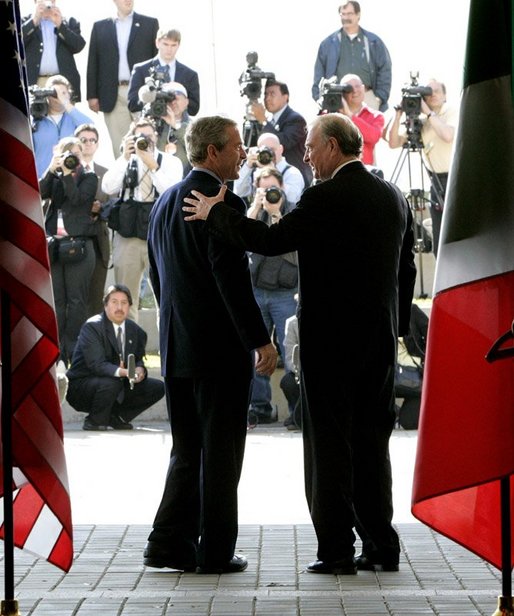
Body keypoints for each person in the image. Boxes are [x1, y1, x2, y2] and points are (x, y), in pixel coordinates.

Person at [182, 113, 416, 575]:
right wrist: (398, 325)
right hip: (378, 343)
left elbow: (271, 239)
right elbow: (406, 268)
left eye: (310, 146)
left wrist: (217, 213)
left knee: (328, 447)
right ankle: (381, 545)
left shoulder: (324, 195)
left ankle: (335, 551)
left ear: (332, 145)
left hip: (330, 345)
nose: (304, 155)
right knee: (372, 444)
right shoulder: (392, 195)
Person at [144, 115, 277, 574]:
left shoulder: (164, 202)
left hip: (178, 348)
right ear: (213, 152)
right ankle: (216, 551)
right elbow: (232, 278)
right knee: (221, 455)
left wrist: (177, 326)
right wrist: (260, 340)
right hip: (219, 352)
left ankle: (168, 543)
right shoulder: (222, 201)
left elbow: (158, 278)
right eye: (237, 146)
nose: (244, 154)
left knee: (187, 449)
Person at [101, 117, 183, 321]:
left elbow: (172, 193)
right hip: (128, 235)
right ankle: (128, 349)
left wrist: (153, 166)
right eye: (139, 136)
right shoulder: (125, 161)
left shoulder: (170, 161)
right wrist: (124, 159)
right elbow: (108, 187)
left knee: (166, 297)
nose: (144, 140)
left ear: (156, 136)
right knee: (125, 298)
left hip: (160, 236)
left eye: (148, 135)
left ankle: (168, 350)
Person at [66, 284, 165, 431]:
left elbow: (138, 358)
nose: (119, 307)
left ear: (130, 306)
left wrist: (139, 369)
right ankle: (94, 421)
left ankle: (117, 417)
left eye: (124, 303)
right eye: (114, 302)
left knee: (157, 387)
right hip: (83, 386)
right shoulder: (92, 327)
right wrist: (124, 372)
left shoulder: (136, 331)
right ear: (105, 305)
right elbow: (96, 365)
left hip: (118, 382)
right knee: (112, 383)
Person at [246, 168, 298, 426]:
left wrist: (277, 217)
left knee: (291, 352)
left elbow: (294, 253)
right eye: (263, 189)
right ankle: (259, 407)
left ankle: (296, 410)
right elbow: (242, 245)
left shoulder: (293, 214)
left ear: (283, 188)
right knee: (256, 351)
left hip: (286, 293)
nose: (270, 194)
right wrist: (255, 210)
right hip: (257, 292)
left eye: (273, 188)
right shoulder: (253, 213)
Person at [40, 136, 98, 366]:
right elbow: (41, 191)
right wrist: (52, 169)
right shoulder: (56, 176)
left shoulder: (89, 178)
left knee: (76, 301)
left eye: (76, 153)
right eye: (68, 153)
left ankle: (73, 352)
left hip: (79, 247)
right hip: (54, 245)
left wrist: (67, 174)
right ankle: (56, 351)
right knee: (58, 300)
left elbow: (76, 200)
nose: (72, 158)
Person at [387, 79, 457, 257]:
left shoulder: (451, 112)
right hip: (435, 181)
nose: (432, 95)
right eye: (428, 92)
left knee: (455, 232)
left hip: (454, 179)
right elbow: (394, 142)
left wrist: (427, 111)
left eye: (436, 91)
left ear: (445, 95)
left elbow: (448, 135)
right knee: (438, 236)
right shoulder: (423, 120)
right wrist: (398, 114)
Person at [86, 0, 159, 157]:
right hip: (113, 95)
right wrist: (92, 95)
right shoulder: (100, 27)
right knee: (121, 147)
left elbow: (156, 61)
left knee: (147, 143)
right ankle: (126, 181)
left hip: (142, 94)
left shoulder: (150, 24)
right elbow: (93, 62)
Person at [312, 1, 392, 112]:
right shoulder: (328, 43)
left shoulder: (373, 42)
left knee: (367, 129)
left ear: (358, 14)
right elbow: (319, 73)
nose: (345, 17)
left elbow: (385, 70)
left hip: (366, 98)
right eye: (342, 14)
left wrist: (379, 98)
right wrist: (319, 97)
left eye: (349, 14)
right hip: (339, 98)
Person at [74, 123, 112, 317]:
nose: (88, 144)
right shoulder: (69, 170)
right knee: (75, 296)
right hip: (74, 240)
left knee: (96, 296)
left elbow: (113, 204)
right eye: (83, 140)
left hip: (98, 240)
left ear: (97, 144)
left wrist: (101, 208)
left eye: (92, 140)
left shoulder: (106, 173)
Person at [249, 79, 312, 186]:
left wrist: (263, 121)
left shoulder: (296, 119)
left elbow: (283, 142)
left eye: (272, 94)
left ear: (285, 97)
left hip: (295, 181)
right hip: (271, 180)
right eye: (265, 94)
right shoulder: (270, 121)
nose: (267, 98)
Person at [127, 27, 200, 119]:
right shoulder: (141, 69)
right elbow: (132, 104)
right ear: (157, 43)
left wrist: (183, 101)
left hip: (179, 125)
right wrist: (149, 97)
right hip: (150, 123)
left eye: (173, 45)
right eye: (165, 44)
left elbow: (194, 109)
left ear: (178, 45)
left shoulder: (190, 75)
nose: (169, 49)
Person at [22, 0, 85, 101]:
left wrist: (60, 25)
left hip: (63, 83)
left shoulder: (68, 22)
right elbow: (17, 43)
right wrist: (34, 20)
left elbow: (78, 46)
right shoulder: (25, 22)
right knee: (38, 115)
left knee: (65, 115)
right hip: (35, 83)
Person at [32, 74, 92, 178]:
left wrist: (66, 103)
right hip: (42, 179)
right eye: (54, 93)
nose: (58, 97)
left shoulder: (74, 118)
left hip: (70, 179)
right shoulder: (36, 120)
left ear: (69, 95)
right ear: (47, 96)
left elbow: (91, 128)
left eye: (64, 93)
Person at [234, 132, 305, 206]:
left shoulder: (292, 172)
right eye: (264, 150)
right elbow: (239, 192)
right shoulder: (254, 171)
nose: (268, 153)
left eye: (272, 149)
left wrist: (271, 171)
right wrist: (247, 166)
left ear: (281, 149)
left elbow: (293, 198)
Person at [336, 73, 384, 165]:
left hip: (363, 170)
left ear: (363, 88)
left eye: (357, 86)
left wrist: (349, 115)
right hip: (336, 169)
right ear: (342, 92)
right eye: (348, 88)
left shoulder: (376, 116)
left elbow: (373, 137)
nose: (354, 91)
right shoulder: (332, 113)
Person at [153, 81, 192, 177]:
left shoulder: (194, 125)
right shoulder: (155, 124)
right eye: (169, 100)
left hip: (185, 176)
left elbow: (197, 149)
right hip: (159, 176)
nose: (173, 102)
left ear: (186, 102)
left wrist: (176, 126)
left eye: (177, 98)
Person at [280, 307, 301, 431]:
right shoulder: (292, 323)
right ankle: (296, 414)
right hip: (300, 371)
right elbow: (290, 358)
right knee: (288, 382)